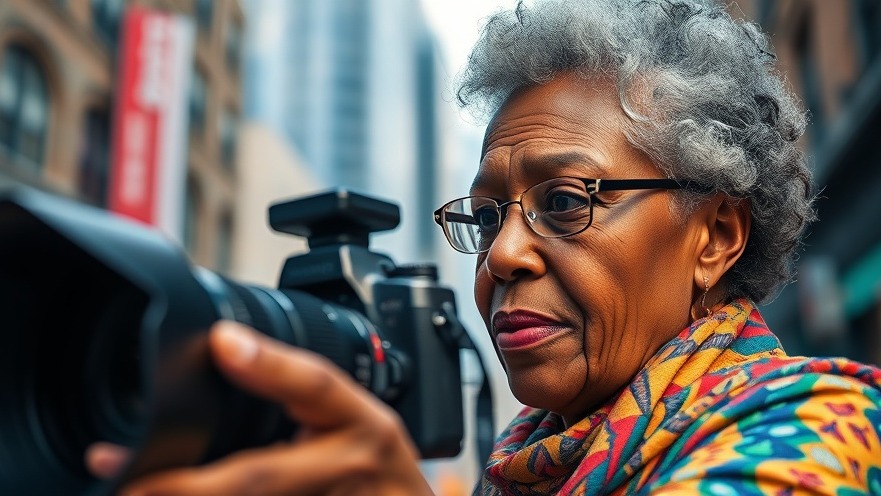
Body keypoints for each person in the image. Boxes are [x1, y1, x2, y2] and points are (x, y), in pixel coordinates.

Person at [89, 0, 881, 494]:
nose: (501, 256)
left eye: (566, 203)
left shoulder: (822, 429)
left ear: (713, 237)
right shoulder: (525, 463)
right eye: (487, 214)